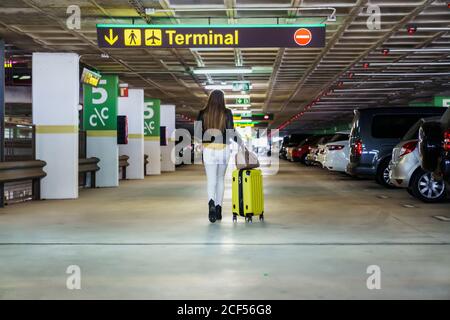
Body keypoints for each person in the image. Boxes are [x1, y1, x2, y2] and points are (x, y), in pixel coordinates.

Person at [196, 90, 241, 223]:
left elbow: (198, 135)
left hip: (208, 149)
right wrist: (242, 144)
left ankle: (211, 206)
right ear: (222, 99)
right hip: (223, 149)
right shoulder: (227, 113)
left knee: (211, 180)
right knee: (220, 179)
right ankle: (219, 208)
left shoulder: (202, 113)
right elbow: (231, 132)